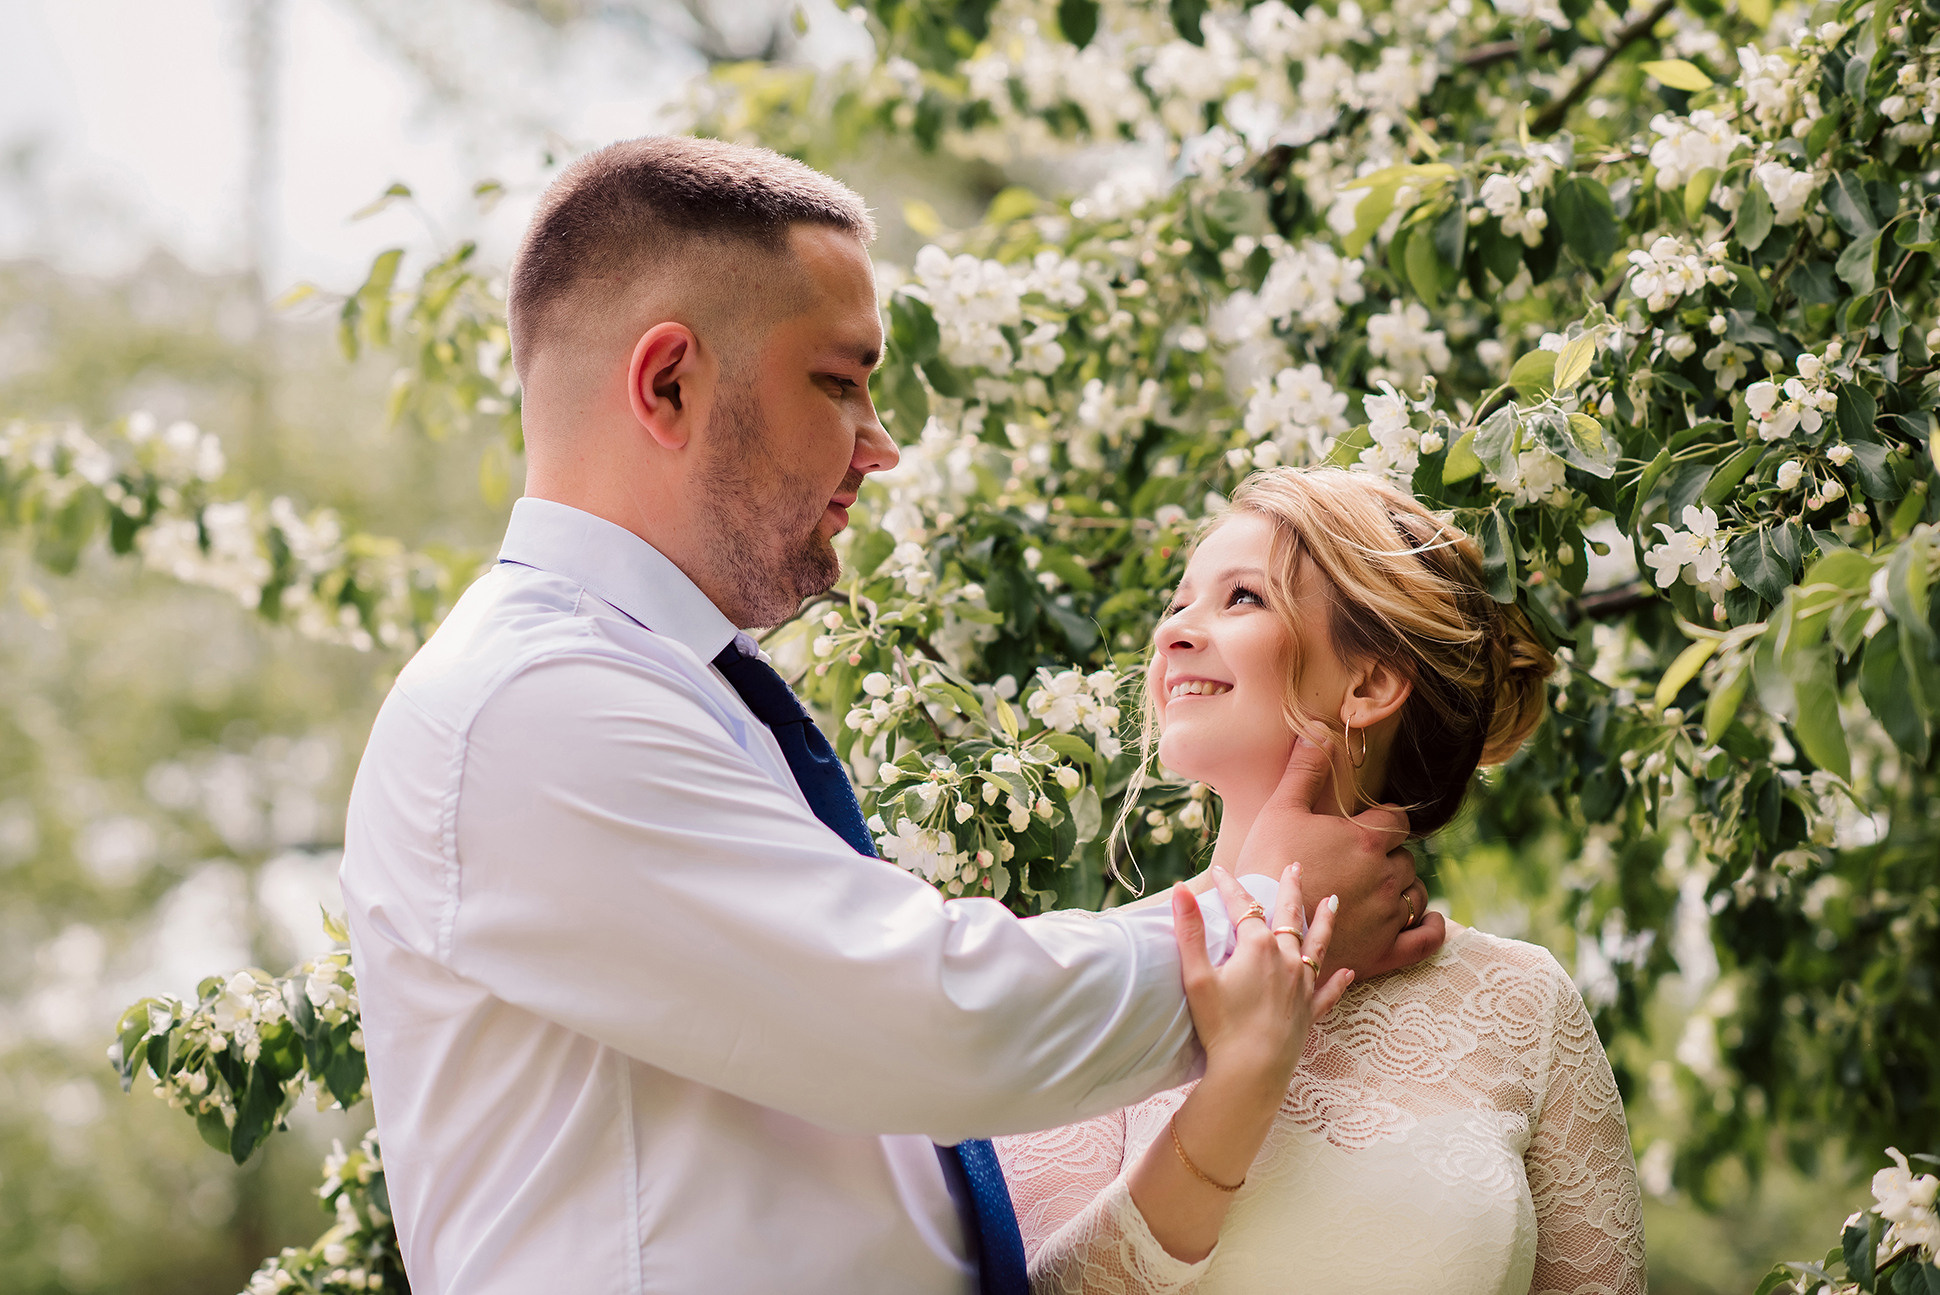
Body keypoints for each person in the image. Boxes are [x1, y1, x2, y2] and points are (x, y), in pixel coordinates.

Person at [336, 136, 1444, 1295]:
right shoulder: (532, 703)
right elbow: (934, 1018)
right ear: (668, 383)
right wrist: (1263, 916)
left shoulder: (663, 688)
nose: (881, 443)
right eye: (837, 379)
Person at [995, 467, 1648, 1295]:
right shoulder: (1092, 968)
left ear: (1369, 684)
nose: (1172, 633)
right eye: (1178, 603)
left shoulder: (1526, 1001)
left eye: (1242, 598)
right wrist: (1241, 1085)